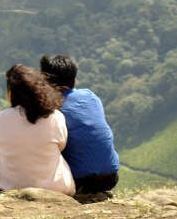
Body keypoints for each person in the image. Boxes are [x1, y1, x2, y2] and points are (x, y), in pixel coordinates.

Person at [0, 64, 76, 195]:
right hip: (54, 187)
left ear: (11, 93)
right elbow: (61, 145)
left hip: (7, 186)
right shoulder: (56, 117)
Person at [40, 55, 119, 194]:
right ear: (74, 78)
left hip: (79, 181)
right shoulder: (91, 96)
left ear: (46, 81)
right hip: (111, 176)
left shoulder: (52, 107)